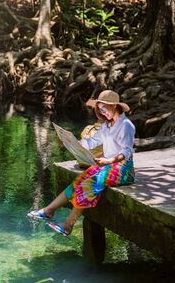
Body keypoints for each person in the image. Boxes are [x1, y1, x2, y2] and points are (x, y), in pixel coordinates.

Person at [27, 90, 136, 237]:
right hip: (107, 165)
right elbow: (92, 141)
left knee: (89, 183)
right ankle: (48, 211)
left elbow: (127, 151)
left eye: (104, 109)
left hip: (123, 169)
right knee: (79, 180)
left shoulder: (126, 125)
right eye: (100, 109)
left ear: (114, 106)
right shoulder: (106, 125)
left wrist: (109, 160)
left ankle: (68, 226)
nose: (102, 112)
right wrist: (72, 143)